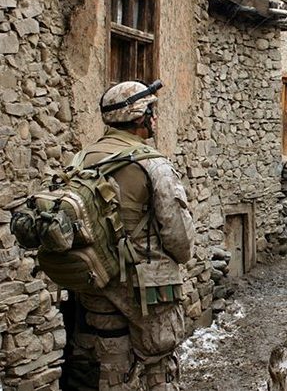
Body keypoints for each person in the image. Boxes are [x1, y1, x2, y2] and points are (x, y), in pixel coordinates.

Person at [66, 80, 195, 390]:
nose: (155, 117)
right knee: (156, 369)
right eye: (151, 111)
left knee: (106, 363)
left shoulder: (82, 159)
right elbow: (179, 240)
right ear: (139, 117)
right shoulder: (153, 164)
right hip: (146, 294)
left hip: (95, 284)